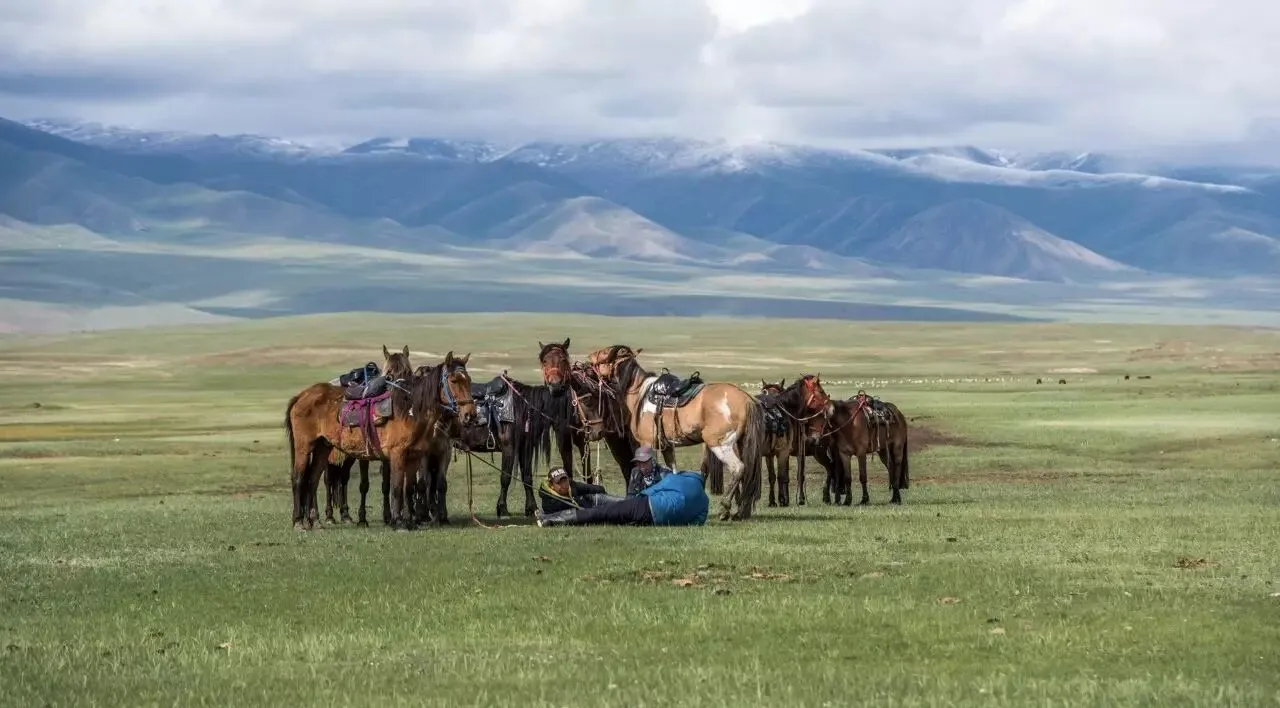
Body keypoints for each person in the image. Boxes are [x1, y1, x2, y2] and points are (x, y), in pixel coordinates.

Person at [535, 467, 709, 527]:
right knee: (609, 516)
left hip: (646, 506)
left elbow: (656, 490)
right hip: (655, 521)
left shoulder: (678, 479)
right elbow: (696, 523)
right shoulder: (705, 502)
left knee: (600, 514)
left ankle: (549, 520)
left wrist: (638, 499)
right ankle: (548, 518)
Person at [537, 467, 626, 515]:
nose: (564, 484)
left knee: (625, 503)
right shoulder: (549, 503)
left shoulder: (572, 485)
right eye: (559, 482)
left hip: (594, 500)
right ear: (551, 485)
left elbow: (591, 488)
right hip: (589, 511)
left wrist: (601, 491)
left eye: (565, 480)